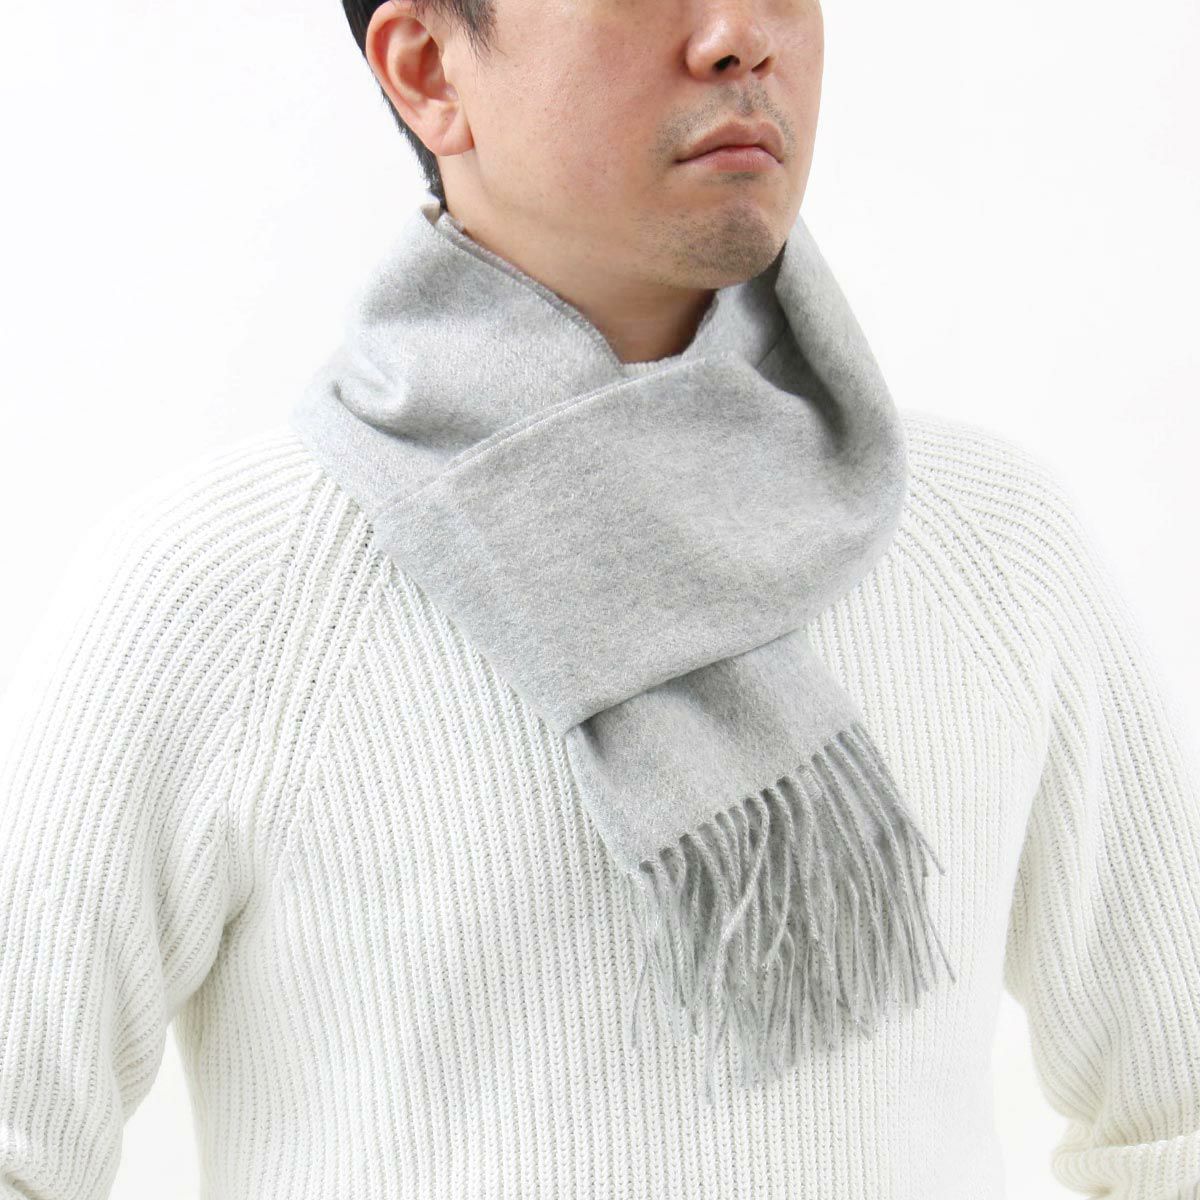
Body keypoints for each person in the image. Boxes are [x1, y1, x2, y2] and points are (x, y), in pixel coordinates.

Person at [2, 0, 1198, 1196]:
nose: (738, 35)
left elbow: (1176, 1125)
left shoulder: (993, 547)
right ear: (428, 70)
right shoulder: (224, 594)